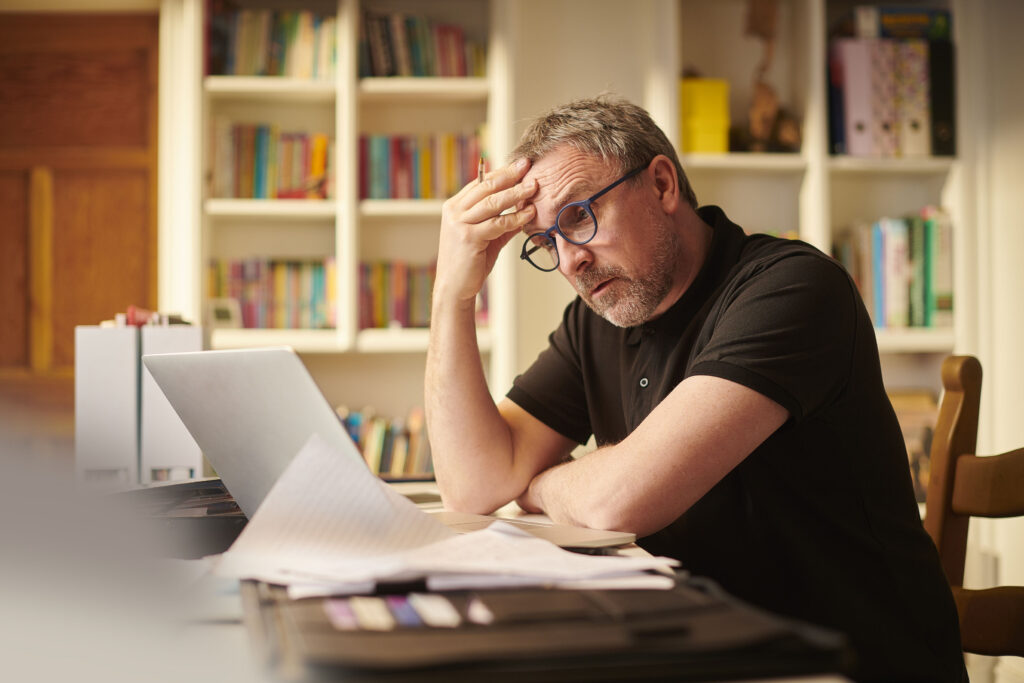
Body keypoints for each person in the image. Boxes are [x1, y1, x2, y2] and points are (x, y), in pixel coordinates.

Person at [425, 95, 966, 682]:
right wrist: (451, 295)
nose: (569, 263)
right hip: (707, 653)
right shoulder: (601, 317)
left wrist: (541, 481)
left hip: (848, 666)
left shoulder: (793, 289)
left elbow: (620, 500)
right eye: (546, 242)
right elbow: (473, 486)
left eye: (579, 216)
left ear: (661, 184)